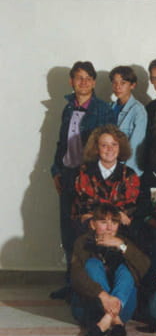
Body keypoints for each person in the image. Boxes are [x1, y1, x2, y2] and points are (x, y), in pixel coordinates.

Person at [51, 61, 115, 299]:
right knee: (68, 231)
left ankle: (88, 287)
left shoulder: (103, 109)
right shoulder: (68, 108)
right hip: (68, 176)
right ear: (71, 81)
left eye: (88, 78)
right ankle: (71, 283)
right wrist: (55, 171)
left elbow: (109, 146)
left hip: (89, 178)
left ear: (94, 82)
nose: (84, 82)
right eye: (79, 77)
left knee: (86, 231)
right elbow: (61, 144)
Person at [70, 203, 149, 336]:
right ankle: (116, 321)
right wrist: (104, 296)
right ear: (93, 224)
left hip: (122, 307)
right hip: (92, 307)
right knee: (93, 264)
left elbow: (145, 266)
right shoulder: (82, 242)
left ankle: (106, 321)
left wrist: (121, 246)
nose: (109, 227)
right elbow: (76, 276)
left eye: (114, 223)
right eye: (103, 222)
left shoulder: (122, 241)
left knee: (126, 269)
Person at [72, 125, 140, 241]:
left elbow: (130, 210)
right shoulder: (84, 172)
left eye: (114, 144)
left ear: (120, 147)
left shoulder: (129, 174)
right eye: (104, 145)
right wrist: (116, 214)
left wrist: (102, 215)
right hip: (90, 230)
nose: (110, 149)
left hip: (121, 232)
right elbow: (84, 208)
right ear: (96, 148)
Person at [109, 65, 147, 176]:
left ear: (132, 85)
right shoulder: (109, 108)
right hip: (109, 166)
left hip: (127, 171)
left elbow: (135, 148)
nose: (118, 87)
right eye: (115, 83)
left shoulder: (138, 111)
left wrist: (125, 174)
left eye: (123, 83)